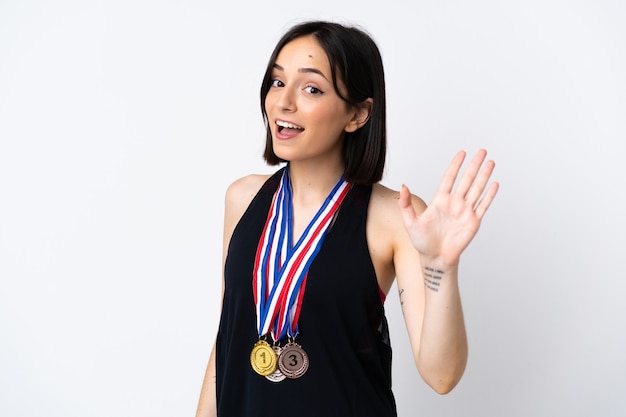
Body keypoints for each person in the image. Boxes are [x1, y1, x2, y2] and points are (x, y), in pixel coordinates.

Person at [195, 20, 499, 417]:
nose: (283, 103)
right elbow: (229, 336)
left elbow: (442, 376)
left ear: (357, 114)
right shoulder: (243, 197)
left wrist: (442, 266)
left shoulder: (395, 218)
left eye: (311, 88)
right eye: (276, 82)